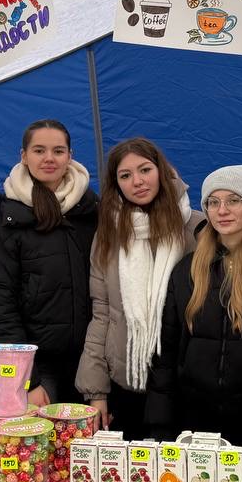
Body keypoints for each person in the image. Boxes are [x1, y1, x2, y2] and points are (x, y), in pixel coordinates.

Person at [145, 166, 242, 448]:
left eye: (233, 200)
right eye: (213, 202)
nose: (222, 210)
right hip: (196, 419)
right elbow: (166, 350)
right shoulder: (186, 270)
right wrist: (160, 421)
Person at [76, 138, 204, 435]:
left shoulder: (197, 228)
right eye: (125, 175)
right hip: (127, 380)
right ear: (115, 183)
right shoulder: (108, 235)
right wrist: (96, 391)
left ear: (161, 170)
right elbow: (102, 313)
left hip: (183, 382)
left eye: (145, 169)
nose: (137, 181)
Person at [0, 120, 99, 406]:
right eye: (39, 150)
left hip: (88, 362)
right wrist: (27, 379)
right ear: (24, 155)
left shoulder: (92, 210)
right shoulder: (8, 219)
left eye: (58, 151)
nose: (49, 158)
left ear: (70, 156)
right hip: (38, 370)